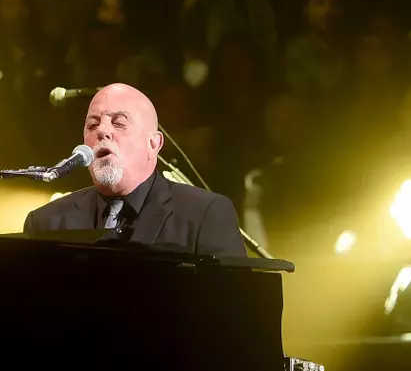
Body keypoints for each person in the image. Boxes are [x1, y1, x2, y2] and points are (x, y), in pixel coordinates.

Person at [23, 83, 245, 257]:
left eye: (118, 123)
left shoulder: (203, 215)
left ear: (154, 144)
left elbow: (234, 308)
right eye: (93, 125)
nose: (102, 131)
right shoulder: (46, 222)